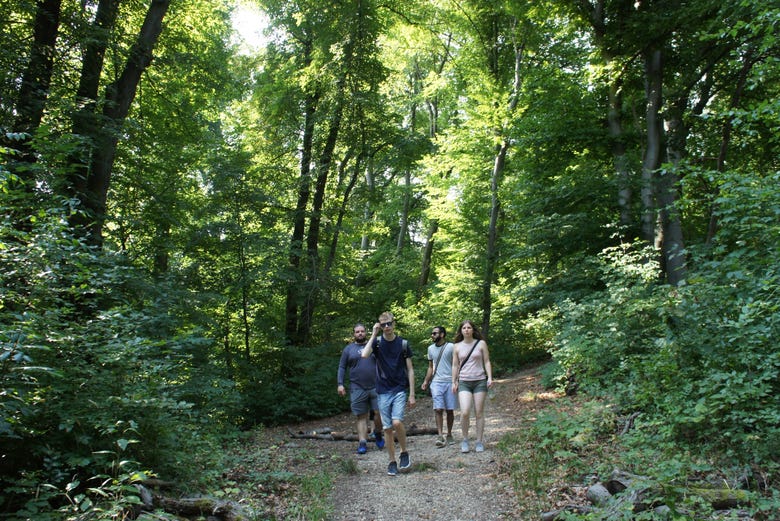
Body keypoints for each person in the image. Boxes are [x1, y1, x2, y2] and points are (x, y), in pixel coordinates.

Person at [362, 311, 415, 476]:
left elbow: (410, 369)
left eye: (389, 324)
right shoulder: (377, 343)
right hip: (383, 390)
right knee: (387, 428)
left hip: (399, 388)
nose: (387, 327)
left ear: (394, 324)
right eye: (383, 324)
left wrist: (412, 393)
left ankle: (404, 452)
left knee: (397, 423)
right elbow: (364, 355)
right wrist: (373, 334)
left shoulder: (403, 344)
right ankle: (392, 461)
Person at [338, 323, 385, 454]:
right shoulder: (348, 349)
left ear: (366, 333)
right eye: (357, 331)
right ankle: (362, 442)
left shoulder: (373, 346)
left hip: (376, 385)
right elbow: (342, 367)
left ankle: (377, 432)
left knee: (378, 413)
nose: (360, 333)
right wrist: (340, 384)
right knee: (361, 416)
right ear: (354, 334)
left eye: (362, 331)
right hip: (357, 387)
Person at [451, 319, 493, 453]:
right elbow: (455, 365)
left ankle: (479, 441)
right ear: (461, 331)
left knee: (479, 412)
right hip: (464, 381)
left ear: (473, 330)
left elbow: (486, 361)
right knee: (465, 412)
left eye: (469, 328)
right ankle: (465, 439)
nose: (467, 330)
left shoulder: (481, 344)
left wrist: (490, 377)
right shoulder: (457, 346)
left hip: (479, 380)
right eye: (464, 328)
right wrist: (454, 381)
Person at [420, 325, 456, 448]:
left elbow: (456, 364)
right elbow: (431, 367)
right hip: (436, 382)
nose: (432, 335)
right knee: (438, 409)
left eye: (435, 333)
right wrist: (426, 381)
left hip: (449, 381)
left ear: (442, 334)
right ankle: (440, 435)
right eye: (432, 333)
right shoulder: (430, 349)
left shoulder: (451, 347)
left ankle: (449, 434)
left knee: (450, 410)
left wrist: (456, 380)